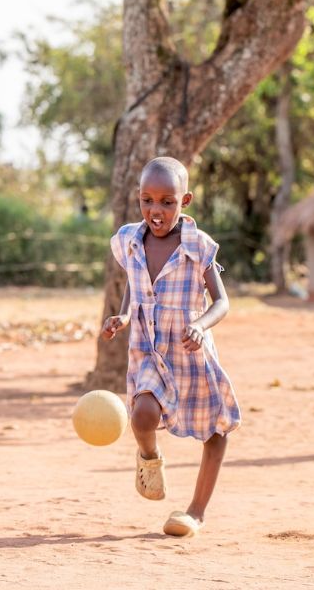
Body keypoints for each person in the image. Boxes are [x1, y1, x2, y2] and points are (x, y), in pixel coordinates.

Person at [102, 156, 240, 538]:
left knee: (216, 432)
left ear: (186, 201)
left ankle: (196, 511)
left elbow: (222, 302)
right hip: (148, 348)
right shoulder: (130, 239)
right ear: (138, 199)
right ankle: (149, 458)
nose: (156, 210)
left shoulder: (198, 245)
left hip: (191, 351)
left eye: (167, 201)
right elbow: (135, 279)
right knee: (142, 414)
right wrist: (125, 315)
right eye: (147, 200)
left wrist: (199, 324)